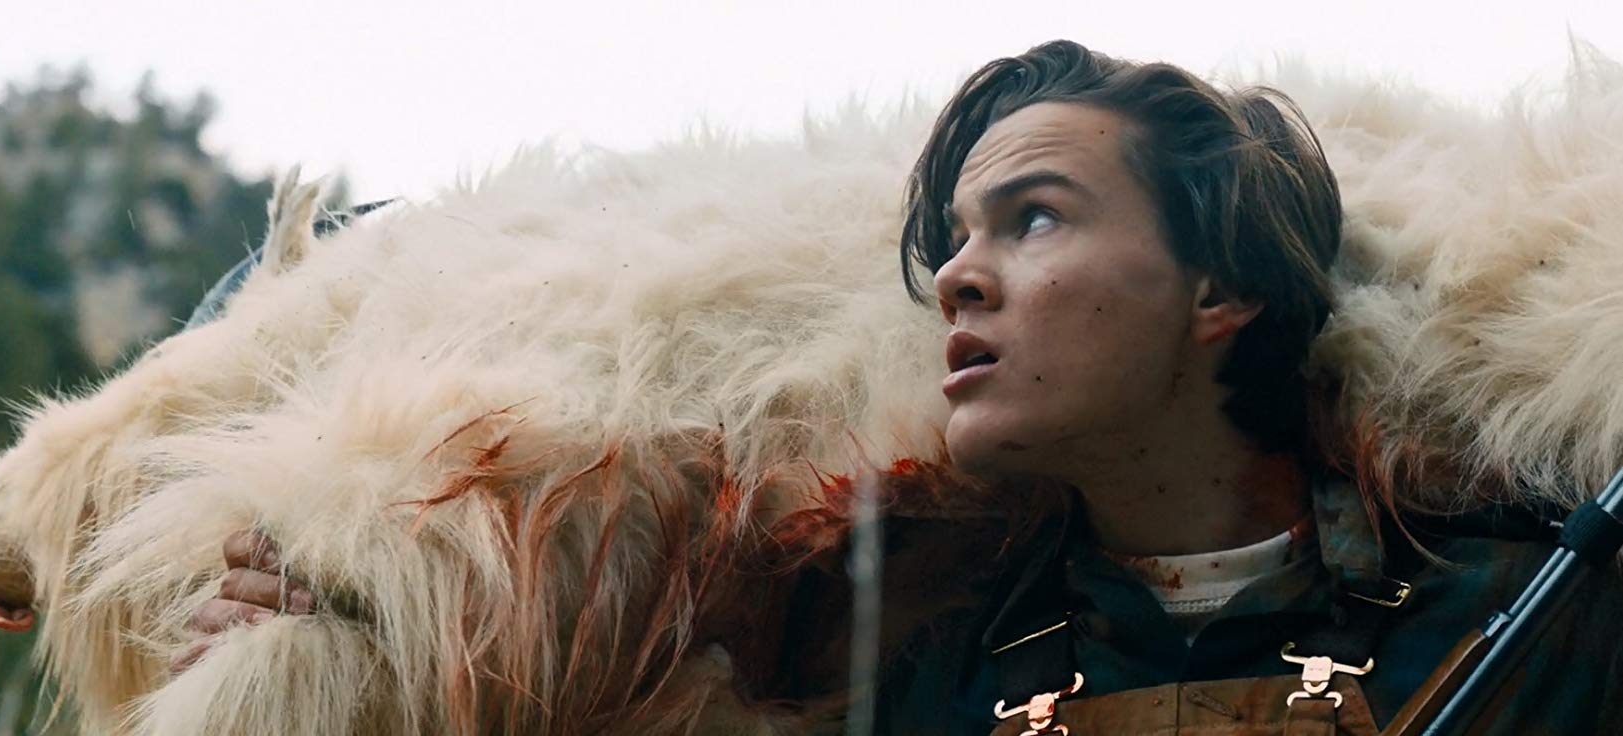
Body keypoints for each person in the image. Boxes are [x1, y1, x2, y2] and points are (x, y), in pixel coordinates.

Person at [180, 41, 1623, 734]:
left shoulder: (1542, 611)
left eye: (1035, 219)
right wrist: (343, 641)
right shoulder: (908, 664)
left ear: (1216, 288)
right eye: (953, 244)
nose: (961, 279)